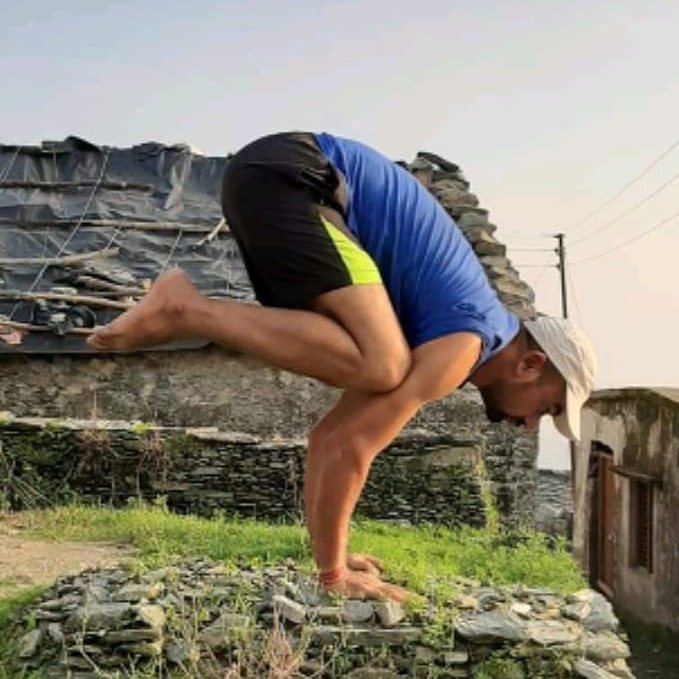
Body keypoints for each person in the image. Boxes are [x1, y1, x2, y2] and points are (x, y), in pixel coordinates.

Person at [87, 132, 597, 601]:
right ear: (531, 364)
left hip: (275, 179)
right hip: (298, 179)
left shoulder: (457, 327)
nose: (529, 425)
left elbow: (329, 439)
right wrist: (335, 580)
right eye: (547, 408)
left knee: (380, 363)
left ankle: (185, 309)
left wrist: (333, 559)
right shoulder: (465, 343)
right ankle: (184, 309)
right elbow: (354, 445)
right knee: (382, 363)